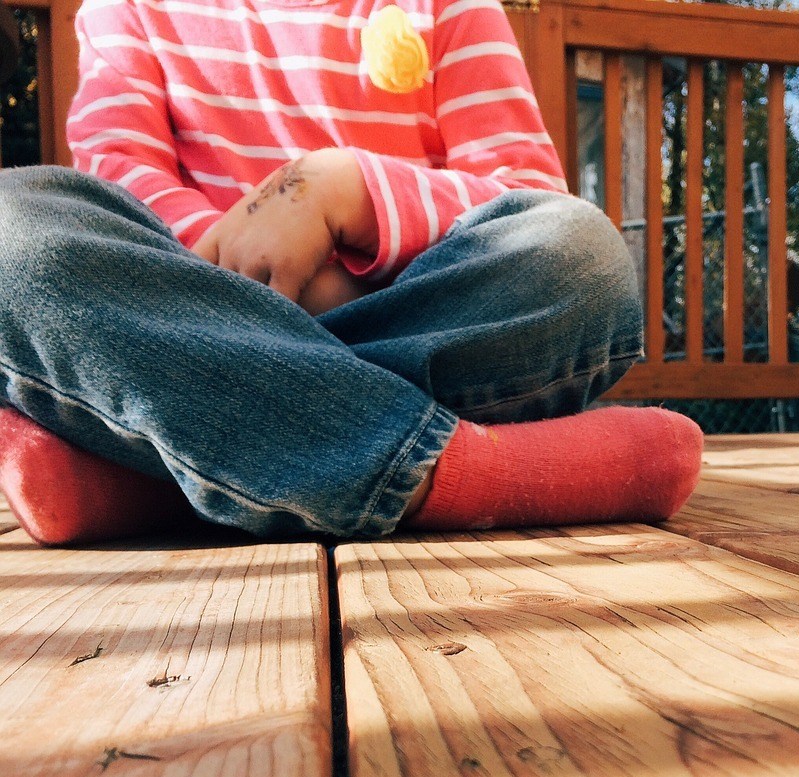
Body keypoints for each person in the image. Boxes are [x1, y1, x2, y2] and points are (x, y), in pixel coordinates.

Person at [0, 0, 702, 546]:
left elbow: (524, 191)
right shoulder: (129, 8)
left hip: (374, 316)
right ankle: (471, 473)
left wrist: (342, 189)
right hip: (198, 303)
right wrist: (254, 281)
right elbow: (119, 176)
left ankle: (150, 475)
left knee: (578, 253)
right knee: (11, 227)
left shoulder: (450, 8)